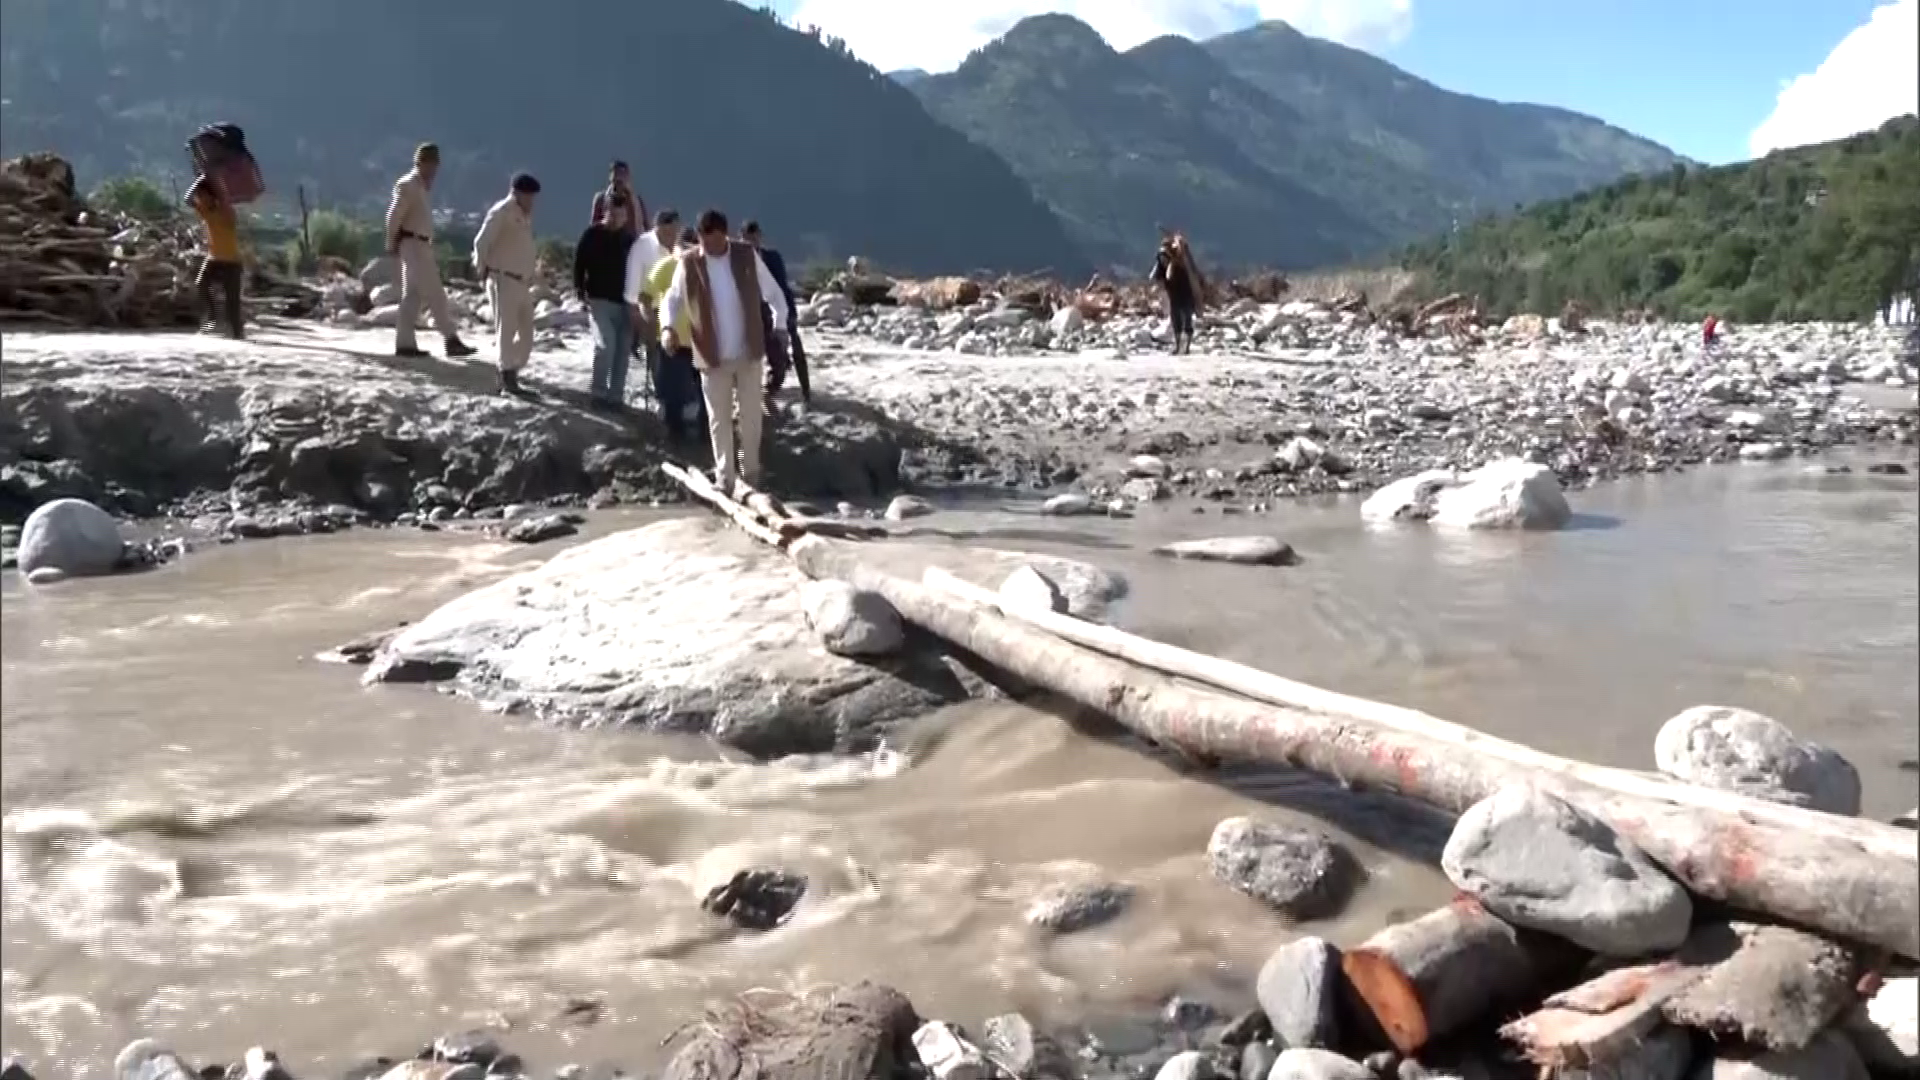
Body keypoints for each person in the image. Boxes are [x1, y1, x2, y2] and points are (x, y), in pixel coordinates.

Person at [658, 208, 790, 495]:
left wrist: (780, 325)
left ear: (725, 234)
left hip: (747, 352)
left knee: (750, 417)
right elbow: (672, 298)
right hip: (710, 352)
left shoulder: (745, 255)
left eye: (714, 242)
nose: (709, 248)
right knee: (718, 419)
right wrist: (667, 327)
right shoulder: (689, 263)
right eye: (704, 242)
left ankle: (751, 473)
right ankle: (725, 478)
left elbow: (773, 293)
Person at [386, 143, 476, 360]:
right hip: (413, 243)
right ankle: (451, 339)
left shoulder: (420, 186)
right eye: (432, 164)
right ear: (423, 163)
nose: (435, 170)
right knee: (435, 293)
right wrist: (391, 243)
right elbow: (394, 216)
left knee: (413, 296)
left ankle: (405, 343)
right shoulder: (409, 185)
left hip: (419, 244)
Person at [471, 172, 541, 396]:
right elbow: (481, 242)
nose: (532, 201)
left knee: (527, 332)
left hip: (522, 282)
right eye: (528, 196)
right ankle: (507, 376)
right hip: (503, 278)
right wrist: (483, 270)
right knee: (506, 329)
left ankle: (512, 369)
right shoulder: (502, 211)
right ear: (517, 193)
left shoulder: (524, 215)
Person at [641, 241, 708, 448]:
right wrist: (650, 319)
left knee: (705, 391)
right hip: (674, 340)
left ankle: (705, 435)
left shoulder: (706, 266)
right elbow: (646, 294)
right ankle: (674, 436)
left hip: (702, 341)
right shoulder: (666, 265)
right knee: (672, 392)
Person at [573, 197, 637, 410]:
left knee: (622, 351)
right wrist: (579, 291)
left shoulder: (629, 240)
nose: (616, 219)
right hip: (599, 299)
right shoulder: (592, 235)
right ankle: (598, 392)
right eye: (613, 214)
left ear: (626, 216)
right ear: (605, 212)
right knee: (605, 344)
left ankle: (616, 397)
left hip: (625, 302)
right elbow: (579, 264)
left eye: (621, 215)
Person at [742, 220, 809, 417]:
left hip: (775, 308)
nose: (752, 241)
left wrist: (790, 314)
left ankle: (804, 391)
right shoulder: (738, 259)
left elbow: (781, 286)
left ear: (760, 237)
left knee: (793, 346)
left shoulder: (772, 258)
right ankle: (755, 392)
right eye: (747, 238)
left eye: (755, 237)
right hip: (752, 313)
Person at [186, 175, 244, 339]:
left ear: (213, 197)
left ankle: (237, 333)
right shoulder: (206, 212)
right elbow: (187, 199)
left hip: (232, 261)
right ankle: (212, 315)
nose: (200, 200)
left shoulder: (227, 213)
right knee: (200, 284)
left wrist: (216, 182)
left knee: (232, 300)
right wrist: (199, 180)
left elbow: (224, 199)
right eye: (200, 197)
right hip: (214, 259)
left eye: (204, 196)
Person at [1148, 229, 1207, 355]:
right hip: (1174, 296)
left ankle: (1186, 347)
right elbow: (1155, 278)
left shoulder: (1180, 264)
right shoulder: (1162, 265)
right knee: (1176, 321)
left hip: (1186, 294)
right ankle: (1178, 345)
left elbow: (1193, 278)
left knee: (1186, 320)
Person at [589, 160, 647, 240]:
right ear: (610, 177)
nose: (619, 178)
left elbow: (646, 226)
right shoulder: (601, 199)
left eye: (623, 174)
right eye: (617, 174)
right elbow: (593, 227)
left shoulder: (637, 201)